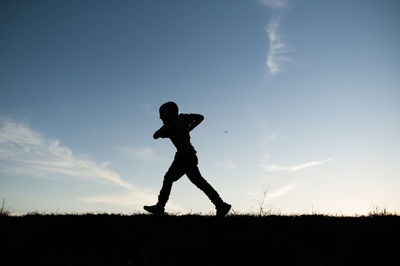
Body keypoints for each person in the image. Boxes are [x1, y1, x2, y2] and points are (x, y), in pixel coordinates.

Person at [144, 101, 231, 217]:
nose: (160, 117)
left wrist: (189, 127)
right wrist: (170, 127)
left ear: (171, 113)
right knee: (199, 182)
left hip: (186, 155)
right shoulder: (168, 127)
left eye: (162, 113)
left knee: (169, 178)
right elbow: (155, 135)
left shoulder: (182, 119)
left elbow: (200, 117)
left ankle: (160, 207)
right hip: (184, 155)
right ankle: (221, 205)